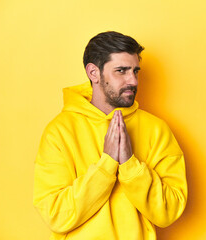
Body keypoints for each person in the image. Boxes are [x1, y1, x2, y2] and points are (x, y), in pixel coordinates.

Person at [33, 31, 187, 240]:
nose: (132, 80)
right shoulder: (59, 132)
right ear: (93, 73)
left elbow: (169, 211)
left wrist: (129, 164)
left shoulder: (157, 129)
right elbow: (56, 215)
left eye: (135, 71)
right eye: (121, 71)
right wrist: (107, 165)